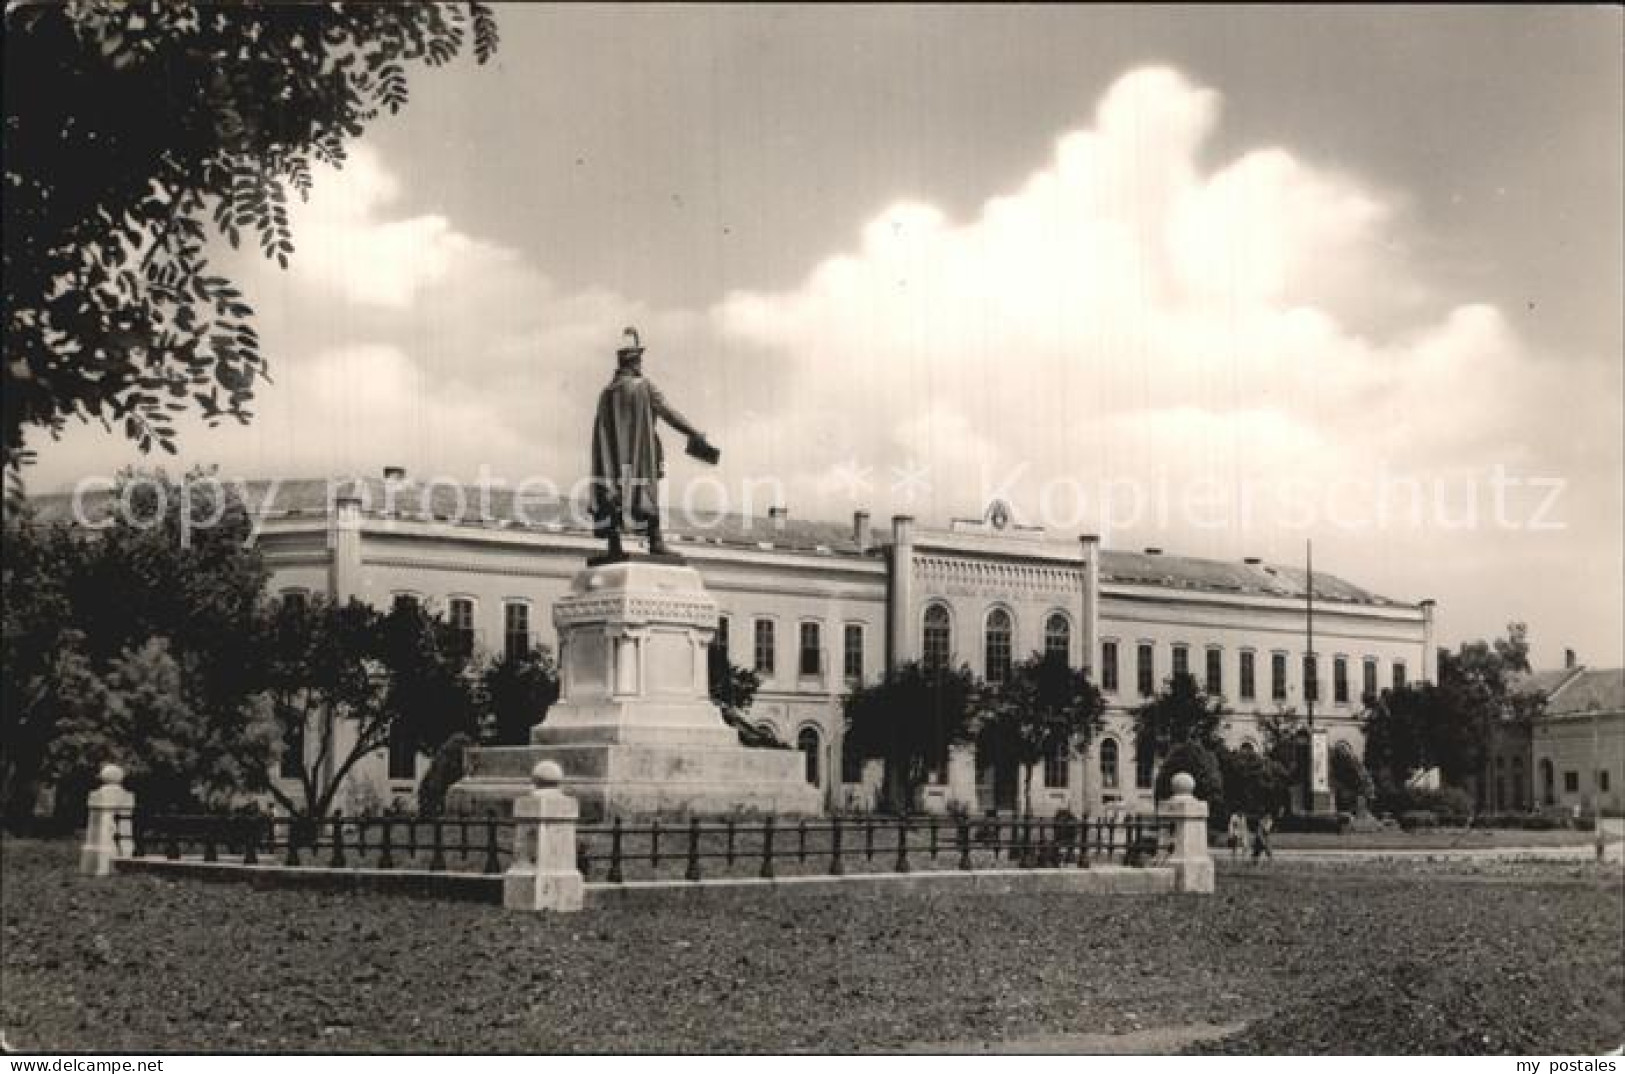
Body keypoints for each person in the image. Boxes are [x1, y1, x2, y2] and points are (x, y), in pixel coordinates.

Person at [589, 327, 716, 558]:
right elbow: (669, 413)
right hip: (640, 456)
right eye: (639, 359)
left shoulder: (606, 393)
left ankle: (613, 545)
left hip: (613, 460)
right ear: (635, 361)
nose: (641, 364)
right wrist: (694, 432)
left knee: (613, 492)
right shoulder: (643, 387)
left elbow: (601, 435)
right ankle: (655, 540)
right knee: (646, 491)